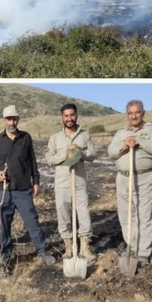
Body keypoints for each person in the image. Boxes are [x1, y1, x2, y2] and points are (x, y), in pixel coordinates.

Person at [0, 105, 56, 270]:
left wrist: (36, 181)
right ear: (4, 120)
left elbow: (32, 161)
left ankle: (42, 250)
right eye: (9, 119)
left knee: (32, 221)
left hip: (23, 189)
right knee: (4, 224)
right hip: (2, 190)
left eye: (15, 118)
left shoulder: (26, 138)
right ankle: (5, 254)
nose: (12, 122)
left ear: (18, 120)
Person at [106, 99, 152, 268]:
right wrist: (124, 145)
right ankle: (131, 247)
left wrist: (138, 141)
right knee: (126, 215)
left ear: (143, 113)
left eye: (137, 112)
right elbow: (110, 152)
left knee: (144, 215)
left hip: (144, 177)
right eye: (130, 113)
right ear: (126, 115)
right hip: (123, 178)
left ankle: (143, 252)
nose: (134, 116)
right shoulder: (120, 133)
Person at [45, 103, 97, 261]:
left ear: (76, 115)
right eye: (66, 116)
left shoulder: (84, 135)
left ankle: (85, 247)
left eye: (72, 115)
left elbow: (93, 154)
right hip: (62, 184)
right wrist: (65, 154)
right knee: (63, 216)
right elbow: (49, 159)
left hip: (79, 183)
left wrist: (79, 152)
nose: (69, 118)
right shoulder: (55, 138)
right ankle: (68, 246)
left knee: (84, 215)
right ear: (62, 117)